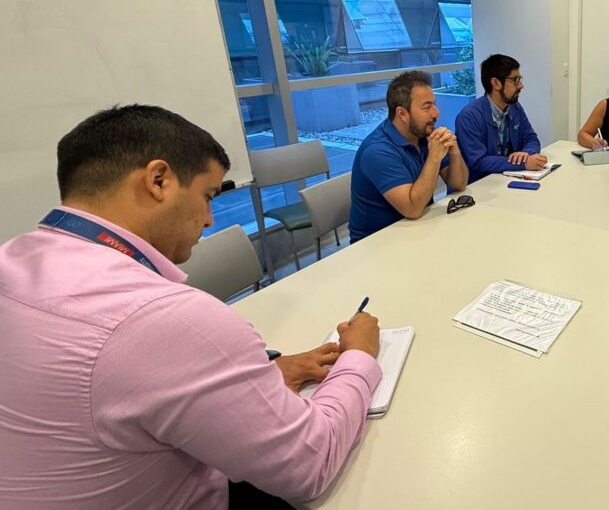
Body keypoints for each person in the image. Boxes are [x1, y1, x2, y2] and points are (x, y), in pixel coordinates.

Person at [0, 105, 383, 509]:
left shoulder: (12, 259)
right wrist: (358, 355)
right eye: (207, 196)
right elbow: (310, 464)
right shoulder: (161, 318)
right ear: (158, 180)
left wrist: (254, 376)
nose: (208, 220)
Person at [349, 70, 468, 242]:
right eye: (427, 107)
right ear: (402, 114)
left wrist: (454, 151)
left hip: (416, 230)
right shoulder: (378, 151)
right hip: (377, 245)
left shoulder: (421, 134)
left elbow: (458, 184)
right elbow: (412, 208)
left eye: (434, 104)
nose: (436, 113)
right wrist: (434, 157)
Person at [455, 53, 546, 184]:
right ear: (496, 83)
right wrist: (523, 163)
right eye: (515, 80)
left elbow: (531, 138)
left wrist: (526, 153)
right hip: (478, 188)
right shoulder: (468, 117)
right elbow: (479, 162)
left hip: (505, 181)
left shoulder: (514, 107)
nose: (521, 86)